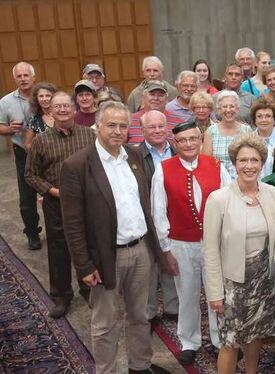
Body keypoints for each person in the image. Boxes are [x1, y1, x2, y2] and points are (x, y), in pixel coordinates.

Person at [59, 101, 168, 373]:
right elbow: (72, 223)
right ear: (97, 126)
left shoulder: (133, 156)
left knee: (141, 315)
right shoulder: (77, 165)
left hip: (141, 249)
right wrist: (84, 265)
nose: (118, 131)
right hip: (105, 257)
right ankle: (105, 369)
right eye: (111, 125)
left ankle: (140, 366)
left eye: (123, 125)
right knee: (105, 322)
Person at [151, 120, 232, 364]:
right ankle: (189, 340)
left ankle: (220, 340)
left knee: (217, 293)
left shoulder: (216, 166)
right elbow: (158, 211)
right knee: (186, 293)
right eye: (182, 140)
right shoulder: (163, 169)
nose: (188, 144)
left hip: (214, 243)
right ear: (175, 144)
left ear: (200, 140)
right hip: (180, 243)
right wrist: (166, 249)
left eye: (192, 139)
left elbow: (229, 204)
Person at [202, 133, 275, 374]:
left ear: (262, 163)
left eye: (254, 160)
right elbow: (210, 250)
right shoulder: (218, 199)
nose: (249, 166)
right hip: (232, 283)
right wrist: (215, 292)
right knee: (230, 341)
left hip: (263, 280)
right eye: (243, 160)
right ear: (234, 164)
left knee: (255, 335)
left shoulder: (271, 193)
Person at [25, 91, 97, 318]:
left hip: (87, 202)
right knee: (58, 250)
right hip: (56, 203)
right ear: (50, 111)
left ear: (74, 109)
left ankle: (90, 290)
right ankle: (61, 296)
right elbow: (30, 175)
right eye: (58, 107)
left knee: (89, 244)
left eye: (67, 106)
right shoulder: (41, 141)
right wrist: (53, 191)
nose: (63, 110)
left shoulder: (89, 136)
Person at [136, 110, 179, 324]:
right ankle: (150, 313)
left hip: (175, 214)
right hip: (146, 219)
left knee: (171, 261)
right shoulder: (135, 155)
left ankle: (173, 308)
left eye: (160, 126)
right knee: (149, 268)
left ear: (167, 127)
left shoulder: (178, 149)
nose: (157, 131)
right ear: (143, 130)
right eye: (151, 127)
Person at [0, 62, 41, 250]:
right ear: (14, 78)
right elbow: (0, 127)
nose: (23, 79)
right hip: (22, 154)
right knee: (26, 196)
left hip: (48, 152)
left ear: (33, 77)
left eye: (26, 75)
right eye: (19, 76)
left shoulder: (44, 96)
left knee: (55, 192)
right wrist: (9, 129)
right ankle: (32, 233)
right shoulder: (5, 102)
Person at [202, 91, 252, 177]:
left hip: (242, 181)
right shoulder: (210, 132)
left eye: (232, 106)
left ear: (237, 108)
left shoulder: (247, 131)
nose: (228, 110)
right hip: (218, 181)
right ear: (219, 109)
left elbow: (252, 158)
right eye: (224, 106)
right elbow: (206, 163)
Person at [127, 80, 183, 145]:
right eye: (152, 94)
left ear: (167, 99)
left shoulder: (178, 122)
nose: (156, 98)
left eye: (160, 95)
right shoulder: (129, 120)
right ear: (143, 97)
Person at [250, 98, 275, 177]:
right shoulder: (247, 142)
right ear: (255, 120)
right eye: (259, 116)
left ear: (274, 120)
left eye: (268, 116)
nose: (263, 120)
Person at [24, 82, 56, 150]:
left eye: (48, 96)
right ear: (37, 99)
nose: (44, 99)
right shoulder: (33, 120)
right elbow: (27, 145)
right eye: (41, 96)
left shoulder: (63, 115)